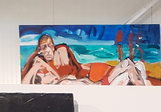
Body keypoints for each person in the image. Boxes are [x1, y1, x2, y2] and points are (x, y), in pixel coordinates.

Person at [20, 32, 151, 86]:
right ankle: (145, 91)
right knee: (129, 70)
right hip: (102, 89)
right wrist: (37, 65)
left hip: (98, 84)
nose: (48, 50)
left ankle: (144, 86)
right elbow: (25, 83)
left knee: (130, 63)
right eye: (44, 48)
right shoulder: (60, 83)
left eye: (50, 46)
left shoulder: (61, 80)